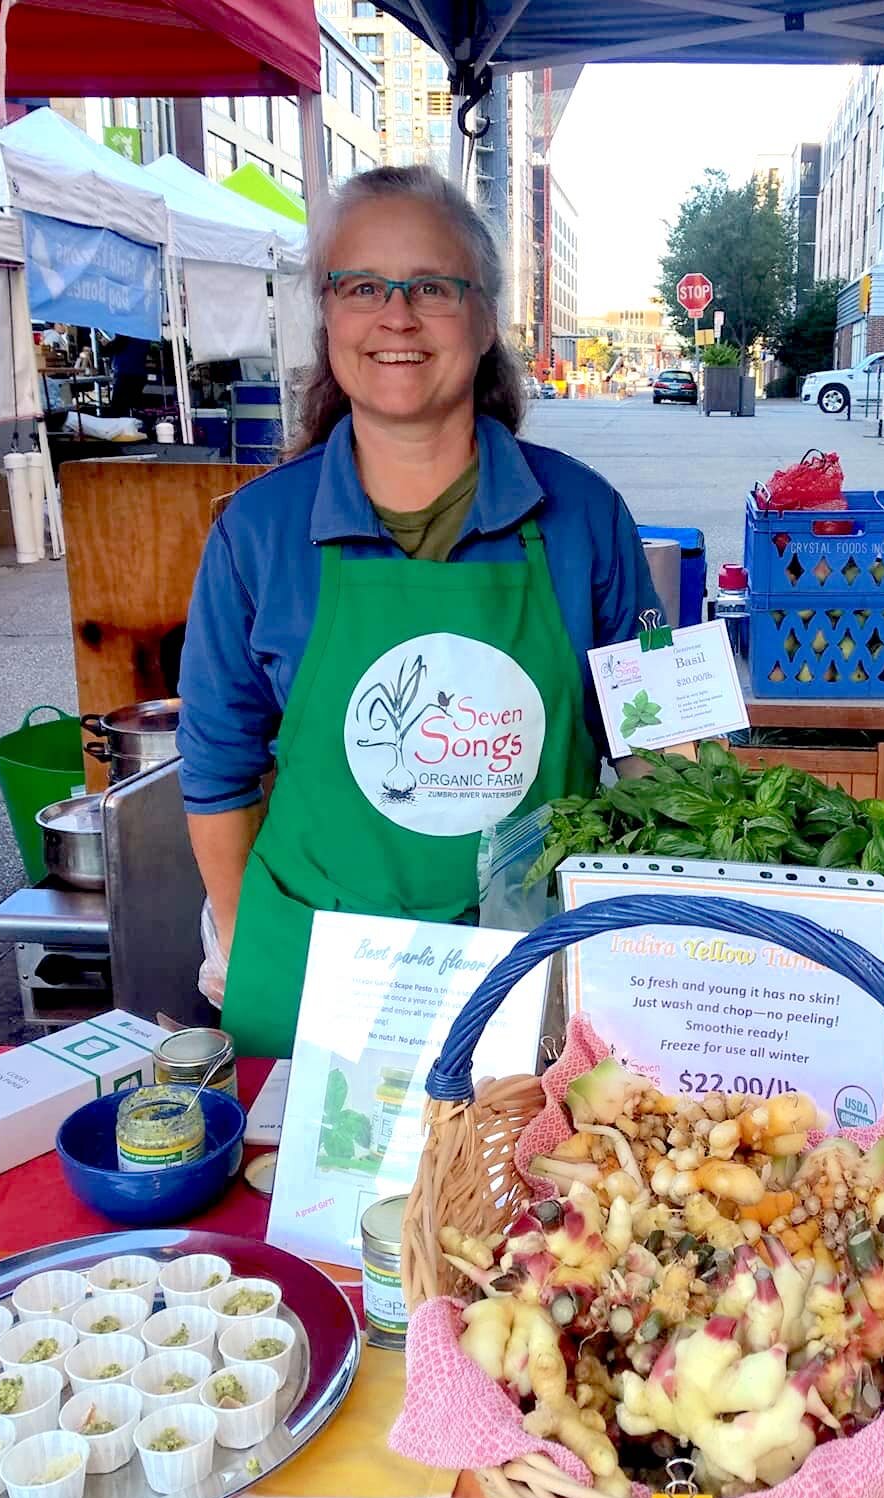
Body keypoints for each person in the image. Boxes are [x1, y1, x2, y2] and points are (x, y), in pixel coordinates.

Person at [177, 165, 660, 1056]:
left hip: (527, 972)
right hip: (320, 976)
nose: (396, 316)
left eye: (432, 287)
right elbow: (215, 767)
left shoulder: (586, 516)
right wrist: (245, 934)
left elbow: (655, 753)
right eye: (362, 286)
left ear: (484, 318)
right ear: (328, 317)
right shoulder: (259, 532)